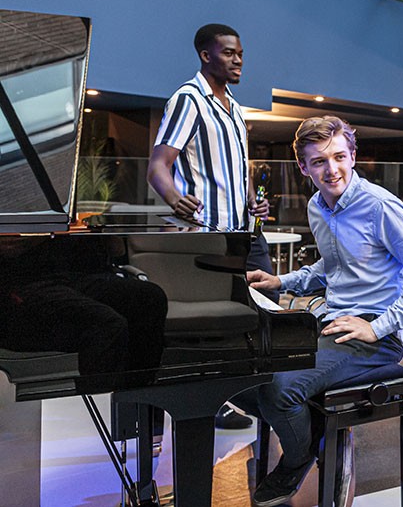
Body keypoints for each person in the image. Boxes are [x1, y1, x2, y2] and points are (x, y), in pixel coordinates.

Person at [243, 116, 403, 507]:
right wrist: (280, 282)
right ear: (303, 167)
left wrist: (378, 327)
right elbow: (332, 265)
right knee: (245, 375)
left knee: (281, 389)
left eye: (339, 157)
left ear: (353, 156)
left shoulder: (380, 206)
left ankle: (297, 460)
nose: (331, 169)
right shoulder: (318, 207)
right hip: (332, 323)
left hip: (374, 336)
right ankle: (316, 432)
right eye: (319, 161)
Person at [146, 23, 274, 429]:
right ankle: (210, 400)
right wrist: (173, 199)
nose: (238, 60)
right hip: (210, 236)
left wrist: (253, 198)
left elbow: (236, 169)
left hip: (246, 232)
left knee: (262, 316)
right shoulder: (189, 100)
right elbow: (158, 166)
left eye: (240, 54)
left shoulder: (234, 106)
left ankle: (255, 395)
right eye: (229, 53)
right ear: (206, 55)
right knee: (216, 324)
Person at [0, 237, 167, 392]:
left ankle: (139, 398)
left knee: (150, 298)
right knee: (106, 324)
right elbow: (9, 246)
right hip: (26, 281)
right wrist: (53, 229)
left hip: (79, 275)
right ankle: (103, 407)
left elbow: (118, 249)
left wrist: (98, 222)